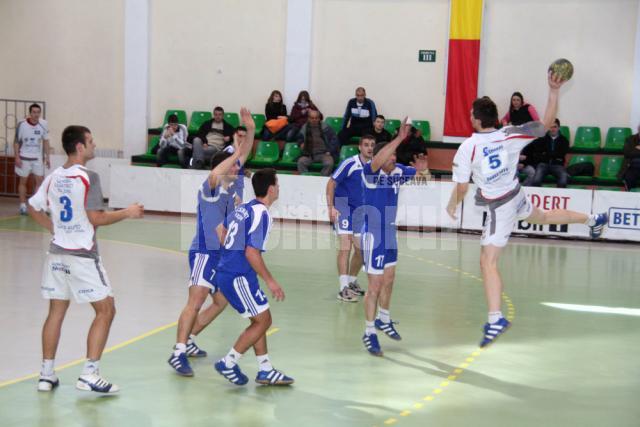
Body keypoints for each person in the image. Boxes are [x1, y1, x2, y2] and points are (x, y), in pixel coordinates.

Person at [446, 73, 608, 348]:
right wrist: (554, 91)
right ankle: (593, 219)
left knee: (488, 262)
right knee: (543, 217)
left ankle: (495, 318)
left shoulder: (468, 147)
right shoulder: (510, 133)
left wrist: (452, 205)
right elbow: (546, 125)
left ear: (475, 118)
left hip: (499, 206)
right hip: (516, 194)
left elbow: (462, 188)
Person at [28, 125, 144, 393]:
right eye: (90, 141)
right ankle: (89, 374)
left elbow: (34, 207)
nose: (94, 145)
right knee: (106, 310)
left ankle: (46, 375)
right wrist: (128, 212)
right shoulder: (88, 177)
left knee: (56, 311)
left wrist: (53, 228)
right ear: (79, 147)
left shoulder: (54, 177)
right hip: (82, 256)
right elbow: (97, 219)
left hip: (56, 254)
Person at [168, 111, 254, 377]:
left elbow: (244, 155)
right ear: (223, 167)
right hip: (204, 253)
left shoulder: (236, 185)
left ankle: (190, 338)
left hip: (222, 256)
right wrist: (235, 151)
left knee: (220, 301)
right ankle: (178, 352)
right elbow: (218, 170)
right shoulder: (210, 187)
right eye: (234, 164)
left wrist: (250, 131)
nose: (238, 167)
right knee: (196, 300)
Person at [213, 168, 294, 386]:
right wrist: (271, 281)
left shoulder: (245, 208)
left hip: (230, 272)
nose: (278, 188)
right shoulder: (262, 214)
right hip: (238, 274)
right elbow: (251, 252)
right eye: (277, 184)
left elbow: (220, 230)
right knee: (264, 320)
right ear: (270, 189)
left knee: (258, 319)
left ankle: (265, 369)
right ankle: (229, 362)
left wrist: (230, 253)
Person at [360, 120, 429, 356]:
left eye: (395, 155)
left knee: (389, 279)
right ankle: (369, 332)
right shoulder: (370, 171)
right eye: (390, 155)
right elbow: (379, 159)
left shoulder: (399, 171)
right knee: (374, 286)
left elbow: (423, 179)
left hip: (389, 232)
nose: (394, 158)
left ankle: (384, 318)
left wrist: (424, 168)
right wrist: (399, 138)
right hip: (373, 234)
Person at [326, 135, 375, 302]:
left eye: (372, 145)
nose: (370, 148)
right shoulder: (350, 163)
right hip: (343, 206)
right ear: (360, 147)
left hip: (360, 212)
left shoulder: (374, 166)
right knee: (346, 246)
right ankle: (343, 288)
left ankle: (352, 281)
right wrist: (330, 207)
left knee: (362, 250)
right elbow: (331, 183)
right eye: (366, 145)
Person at [14, 103, 50, 215]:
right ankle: (23, 205)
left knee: (40, 181)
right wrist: (17, 157)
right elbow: (16, 142)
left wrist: (47, 157)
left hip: (37, 158)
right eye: (34, 112)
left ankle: (35, 205)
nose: (36, 114)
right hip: (23, 157)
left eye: (38, 112)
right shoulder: (22, 124)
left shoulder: (44, 124)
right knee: (23, 181)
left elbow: (46, 141)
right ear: (30, 113)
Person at [297, 109, 339, 176]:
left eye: (316, 118)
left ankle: (322, 180)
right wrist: (301, 143)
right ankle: (306, 180)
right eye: (312, 118)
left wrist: (329, 151)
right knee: (301, 162)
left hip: (324, 153)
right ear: (308, 118)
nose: (314, 120)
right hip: (309, 154)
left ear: (319, 119)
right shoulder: (304, 128)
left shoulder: (326, 127)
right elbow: (299, 139)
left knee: (329, 163)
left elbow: (334, 140)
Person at [531, 118, 570, 187]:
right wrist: (553, 155)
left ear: (558, 127)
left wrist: (546, 153)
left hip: (558, 165)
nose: (553, 129)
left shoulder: (564, 140)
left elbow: (561, 154)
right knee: (536, 180)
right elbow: (537, 153)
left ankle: (558, 196)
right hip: (543, 165)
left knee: (563, 179)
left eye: (555, 127)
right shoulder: (542, 138)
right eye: (551, 127)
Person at [620, 125, 640, 190]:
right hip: (632, 166)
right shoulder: (630, 139)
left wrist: (635, 149)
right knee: (630, 175)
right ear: (639, 129)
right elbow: (627, 153)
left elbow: (631, 152)